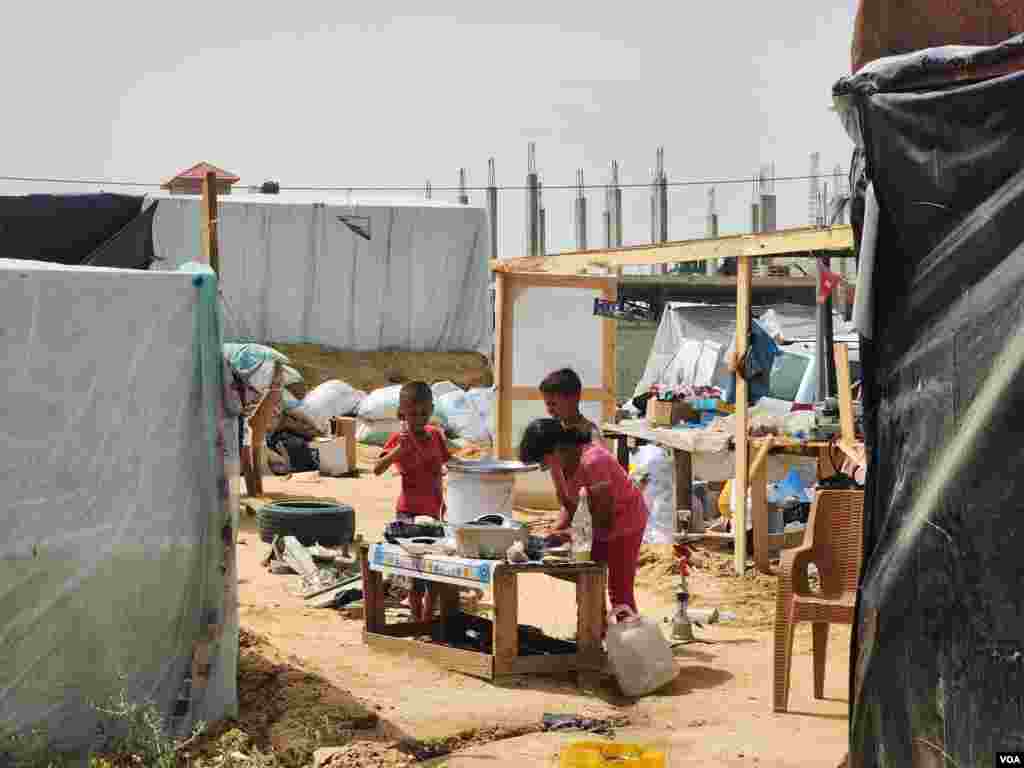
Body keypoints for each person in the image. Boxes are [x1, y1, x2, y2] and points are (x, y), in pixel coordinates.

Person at [519, 418, 649, 624]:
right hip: (593, 524)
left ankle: (629, 641)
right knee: (587, 582)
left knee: (619, 592)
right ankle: (593, 635)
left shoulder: (593, 461)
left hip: (625, 521)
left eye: (544, 461)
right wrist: (555, 532)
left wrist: (572, 535)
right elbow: (568, 505)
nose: (543, 468)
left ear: (558, 448)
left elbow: (604, 519)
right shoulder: (558, 465)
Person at [374, 381, 451, 622]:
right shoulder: (399, 437)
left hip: (435, 513)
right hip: (409, 514)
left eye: (424, 413)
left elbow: (451, 462)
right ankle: (417, 622)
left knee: (435, 574)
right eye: (413, 413)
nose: (419, 418)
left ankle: (428, 621)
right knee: (416, 576)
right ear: (402, 413)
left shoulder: (436, 435)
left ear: (432, 409)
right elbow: (377, 468)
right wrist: (399, 450)